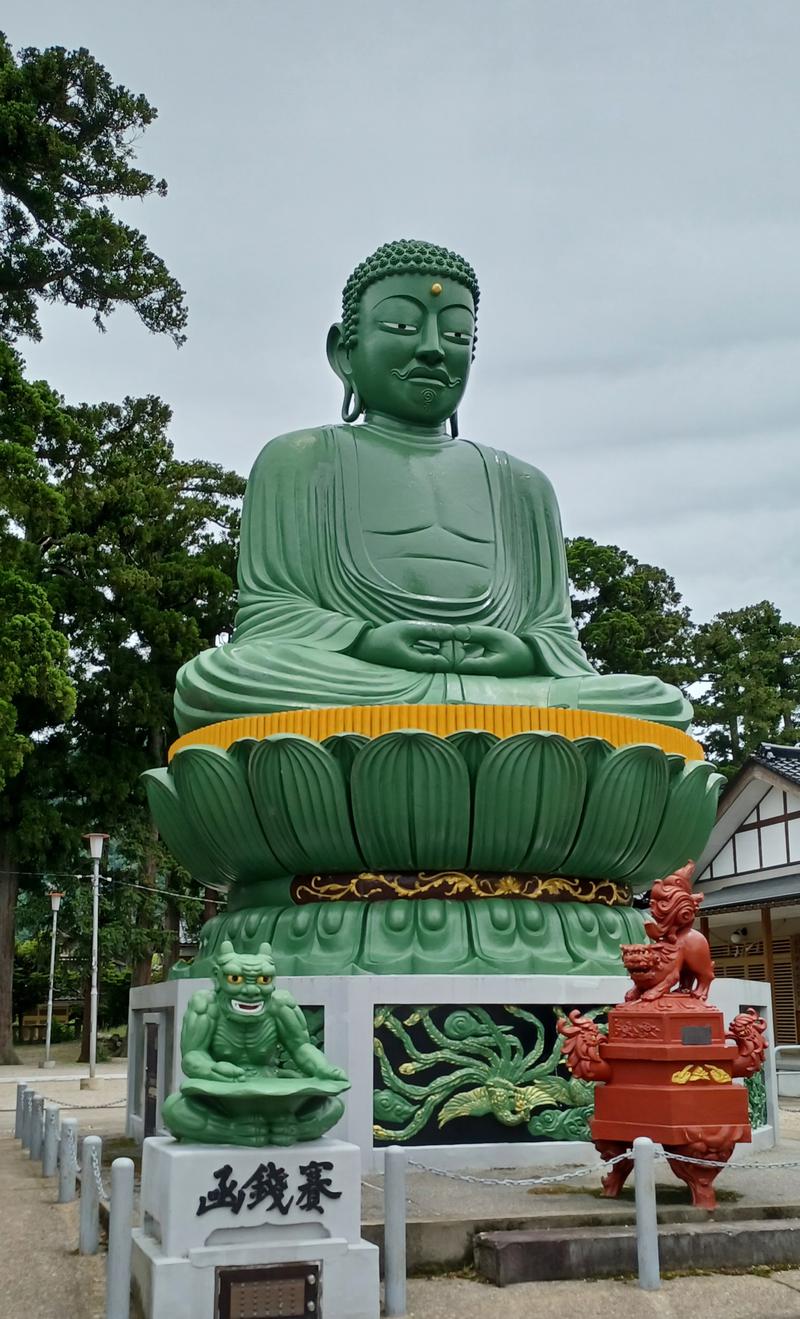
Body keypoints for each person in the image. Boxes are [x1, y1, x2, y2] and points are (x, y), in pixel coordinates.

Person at [175, 239, 690, 734]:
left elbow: (554, 634)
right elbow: (270, 614)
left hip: (506, 693)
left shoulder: (524, 486)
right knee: (216, 682)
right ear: (345, 352)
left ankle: (468, 723)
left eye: (456, 336)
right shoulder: (300, 460)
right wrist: (366, 640)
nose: (430, 350)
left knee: (655, 704)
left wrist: (526, 653)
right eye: (401, 325)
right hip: (358, 683)